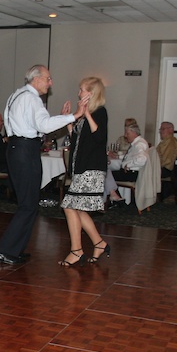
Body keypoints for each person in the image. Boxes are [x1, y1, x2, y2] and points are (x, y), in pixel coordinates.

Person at [0, 65, 85, 265]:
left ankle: (14, 250)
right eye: (48, 78)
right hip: (25, 151)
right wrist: (74, 116)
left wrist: (58, 119)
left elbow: (35, 125)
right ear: (37, 79)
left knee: (29, 203)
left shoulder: (18, 94)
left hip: (19, 149)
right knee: (28, 204)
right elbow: (43, 125)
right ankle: (5, 250)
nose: (51, 83)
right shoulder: (32, 98)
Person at [59, 77, 111, 267]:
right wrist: (69, 121)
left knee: (68, 205)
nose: (79, 93)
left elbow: (99, 137)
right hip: (82, 168)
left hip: (92, 170)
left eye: (81, 90)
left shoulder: (100, 112)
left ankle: (76, 250)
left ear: (91, 93)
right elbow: (78, 140)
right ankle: (99, 244)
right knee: (77, 208)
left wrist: (86, 113)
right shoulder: (85, 114)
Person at [105, 117, 138, 208]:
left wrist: (128, 164)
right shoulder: (122, 138)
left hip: (132, 172)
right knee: (106, 170)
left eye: (129, 126)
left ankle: (114, 197)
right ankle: (115, 196)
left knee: (106, 172)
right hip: (128, 167)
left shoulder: (138, 143)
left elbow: (139, 158)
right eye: (125, 126)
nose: (126, 128)